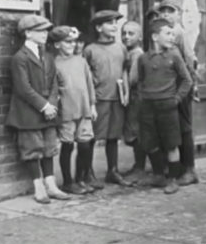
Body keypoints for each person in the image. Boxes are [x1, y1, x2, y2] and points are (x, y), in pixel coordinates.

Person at [6, 15, 70, 204]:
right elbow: (23, 88)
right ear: (28, 33)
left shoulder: (48, 56)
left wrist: (52, 105)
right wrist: (44, 106)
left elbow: (53, 83)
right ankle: (38, 186)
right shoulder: (20, 58)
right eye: (40, 31)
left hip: (48, 109)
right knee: (33, 148)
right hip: (28, 111)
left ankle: (51, 184)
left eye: (45, 30)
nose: (45, 34)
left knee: (49, 147)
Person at [138, 18, 192, 194]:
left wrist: (176, 99)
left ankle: (173, 179)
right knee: (150, 143)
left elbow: (187, 80)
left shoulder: (174, 56)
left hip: (167, 106)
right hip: (147, 106)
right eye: (167, 34)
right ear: (155, 37)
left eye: (173, 34)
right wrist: (143, 97)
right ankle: (159, 174)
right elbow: (140, 81)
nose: (172, 37)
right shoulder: (143, 58)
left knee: (171, 144)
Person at [84, 10, 132, 187]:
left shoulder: (121, 48)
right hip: (99, 99)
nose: (114, 26)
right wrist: (91, 101)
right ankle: (87, 172)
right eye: (109, 23)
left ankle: (113, 171)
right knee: (92, 136)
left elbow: (125, 70)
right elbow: (86, 76)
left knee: (113, 136)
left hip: (117, 99)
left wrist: (125, 91)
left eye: (115, 22)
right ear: (98, 27)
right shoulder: (90, 50)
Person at [49, 25, 98, 195]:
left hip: (84, 110)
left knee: (85, 145)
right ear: (57, 45)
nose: (72, 45)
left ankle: (81, 178)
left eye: (73, 41)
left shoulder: (81, 61)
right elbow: (54, 91)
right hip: (67, 112)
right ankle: (68, 182)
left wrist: (92, 105)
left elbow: (89, 84)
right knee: (67, 146)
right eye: (67, 42)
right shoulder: (54, 65)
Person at [158, 0, 199, 185]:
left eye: (170, 11)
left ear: (178, 14)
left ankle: (189, 169)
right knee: (174, 128)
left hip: (181, 86)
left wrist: (192, 85)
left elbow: (190, 59)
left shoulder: (179, 33)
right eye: (163, 11)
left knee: (184, 128)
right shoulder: (162, 34)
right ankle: (179, 166)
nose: (166, 14)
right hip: (168, 87)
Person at [121, 21, 145, 182]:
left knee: (136, 131)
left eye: (131, 33)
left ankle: (140, 166)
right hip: (134, 97)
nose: (126, 37)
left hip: (137, 97)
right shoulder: (128, 52)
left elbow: (133, 79)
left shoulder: (136, 54)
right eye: (124, 33)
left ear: (140, 37)